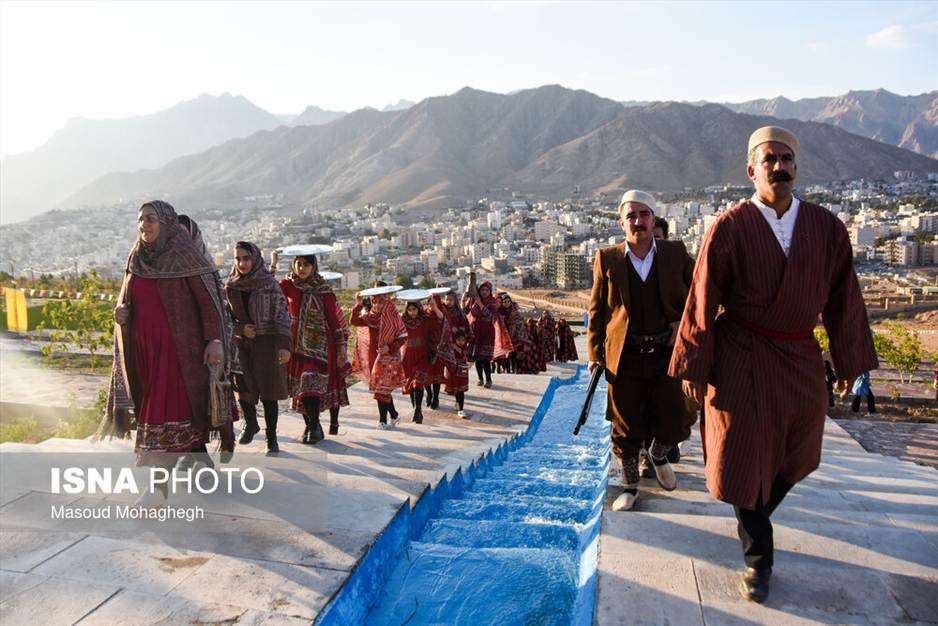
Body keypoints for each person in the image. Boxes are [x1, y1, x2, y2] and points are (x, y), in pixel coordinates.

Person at [669, 126, 878, 604]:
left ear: (796, 167)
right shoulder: (730, 226)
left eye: (786, 159)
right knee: (741, 453)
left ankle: (756, 514)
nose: (779, 166)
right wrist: (694, 365)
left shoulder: (826, 227)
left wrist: (848, 358)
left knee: (801, 446)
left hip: (799, 354)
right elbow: (702, 298)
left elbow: (845, 299)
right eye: (770, 159)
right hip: (740, 355)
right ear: (752, 169)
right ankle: (758, 560)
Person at [104, 200, 229, 505]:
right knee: (172, 416)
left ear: (166, 223)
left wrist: (215, 340)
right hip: (145, 354)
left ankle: (157, 490)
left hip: (178, 354)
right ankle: (201, 461)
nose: (143, 225)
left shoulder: (185, 256)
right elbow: (129, 298)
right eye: (140, 219)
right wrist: (121, 313)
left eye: (151, 219)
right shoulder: (137, 257)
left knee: (166, 416)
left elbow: (210, 302)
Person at [587, 189, 695, 512]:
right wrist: (594, 354)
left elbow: (699, 291)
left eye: (644, 214)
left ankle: (658, 454)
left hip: (666, 353)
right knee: (625, 426)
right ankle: (630, 487)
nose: (638, 222)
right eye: (631, 216)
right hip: (625, 355)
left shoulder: (675, 252)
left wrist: (684, 323)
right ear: (622, 222)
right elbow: (597, 310)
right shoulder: (607, 258)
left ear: (653, 218)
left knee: (677, 416)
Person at [272, 249, 351, 441]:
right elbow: (267, 289)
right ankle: (311, 426)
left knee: (310, 381)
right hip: (295, 344)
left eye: (306, 264)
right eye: (298, 264)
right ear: (293, 266)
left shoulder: (324, 290)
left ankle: (314, 427)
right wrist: (273, 263)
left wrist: (341, 346)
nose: (302, 268)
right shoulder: (288, 285)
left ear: (313, 266)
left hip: (320, 345)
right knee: (300, 386)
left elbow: (333, 319)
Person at [225, 242, 292, 455]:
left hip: (268, 345)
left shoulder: (269, 284)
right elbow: (225, 318)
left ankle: (271, 438)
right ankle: (250, 422)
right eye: (238, 259)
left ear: (255, 259)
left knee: (269, 393)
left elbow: (282, 315)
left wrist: (284, 346)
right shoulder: (231, 286)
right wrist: (241, 329)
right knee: (242, 386)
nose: (242, 263)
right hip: (242, 346)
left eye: (246, 258)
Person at [352, 289, 407, 428]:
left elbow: (403, 337)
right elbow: (354, 321)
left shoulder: (393, 316)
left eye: (380, 302)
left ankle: (382, 421)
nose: (377, 305)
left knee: (381, 389)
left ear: (386, 302)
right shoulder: (370, 317)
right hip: (375, 356)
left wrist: (389, 348)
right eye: (374, 302)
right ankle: (394, 414)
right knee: (382, 388)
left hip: (390, 357)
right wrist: (358, 304)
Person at [400, 296, 444, 423]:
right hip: (408, 356)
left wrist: (434, 307)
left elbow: (441, 320)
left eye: (414, 309)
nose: (412, 312)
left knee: (417, 382)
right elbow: (389, 322)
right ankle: (416, 409)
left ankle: (417, 411)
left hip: (422, 356)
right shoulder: (402, 321)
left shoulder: (425, 320)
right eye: (409, 310)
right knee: (410, 384)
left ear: (418, 309)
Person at [463, 280, 498, 388]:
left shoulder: (492, 302)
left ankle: (488, 379)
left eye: (487, 290)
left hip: (486, 331)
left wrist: (479, 303)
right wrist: (464, 299)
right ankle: (480, 378)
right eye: (482, 289)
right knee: (477, 356)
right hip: (475, 330)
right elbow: (464, 311)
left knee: (485, 357)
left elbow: (489, 314)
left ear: (490, 291)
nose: (484, 292)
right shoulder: (472, 300)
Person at [494, 293, 529, 373]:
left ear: (510, 302)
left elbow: (520, 323)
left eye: (508, 301)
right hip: (504, 335)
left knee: (514, 353)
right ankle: (507, 369)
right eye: (505, 302)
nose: (507, 303)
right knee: (506, 353)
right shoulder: (500, 312)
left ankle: (514, 368)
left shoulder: (515, 312)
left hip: (515, 336)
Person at [446, 330, 471, 418]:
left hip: (462, 370)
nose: (461, 342)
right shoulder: (451, 347)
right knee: (456, 388)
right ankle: (457, 403)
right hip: (453, 370)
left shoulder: (464, 347)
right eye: (459, 340)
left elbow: (463, 353)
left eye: (463, 340)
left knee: (461, 389)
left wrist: (455, 346)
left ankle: (461, 409)